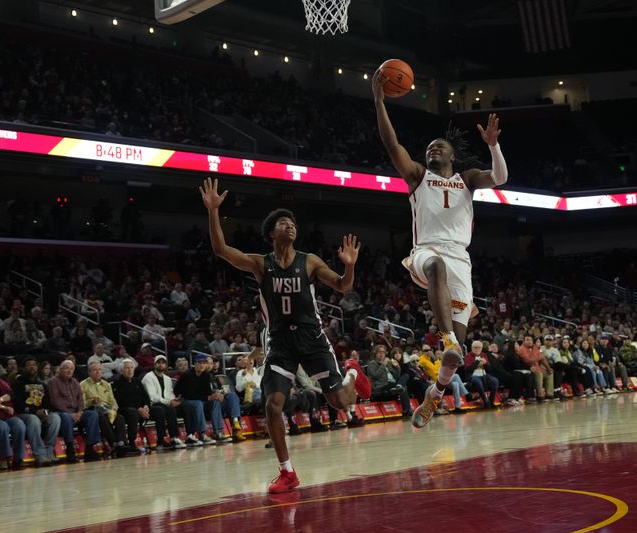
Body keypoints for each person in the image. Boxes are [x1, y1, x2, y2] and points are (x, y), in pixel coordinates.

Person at [200, 177, 370, 493]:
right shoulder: (260, 265)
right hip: (280, 341)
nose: (290, 226)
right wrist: (213, 211)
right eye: (283, 223)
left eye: (292, 223)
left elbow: (344, 286)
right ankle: (287, 472)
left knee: (338, 403)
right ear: (271, 233)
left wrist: (349, 267)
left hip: (312, 339)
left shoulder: (309, 262)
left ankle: (351, 374)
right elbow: (221, 249)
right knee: (272, 405)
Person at [373, 69, 507, 428]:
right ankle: (445, 334)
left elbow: (500, 178)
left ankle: (434, 397)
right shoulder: (417, 175)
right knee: (436, 269)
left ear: (451, 156)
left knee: (456, 356)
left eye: (439, 146)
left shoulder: (467, 179)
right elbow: (392, 145)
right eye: (430, 146)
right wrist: (379, 101)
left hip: (460, 258)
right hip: (426, 251)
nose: (433, 148)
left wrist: (493, 145)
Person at [11, 356, 61, 466]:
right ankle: (39, 454)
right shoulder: (18, 384)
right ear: (23, 368)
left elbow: (48, 404)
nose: (32, 367)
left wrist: (45, 413)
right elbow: (18, 405)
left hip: (41, 413)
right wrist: (35, 412)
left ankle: (49, 451)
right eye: (28, 365)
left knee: (55, 418)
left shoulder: (42, 384)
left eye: (33, 364)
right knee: (34, 419)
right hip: (25, 414)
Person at [141, 354, 186, 450]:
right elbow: (152, 396)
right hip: (150, 405)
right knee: (160, 409)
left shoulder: (168, 379)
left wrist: (173, 400)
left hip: (164, 404)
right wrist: (168, 402)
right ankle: (160, 441)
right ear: (154, 364)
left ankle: (174, 437)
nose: (161, 365)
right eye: (158, 363)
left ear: (166, 365)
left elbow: (170, 394)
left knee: (173, 409)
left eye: (163, 363)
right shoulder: (148, 377)